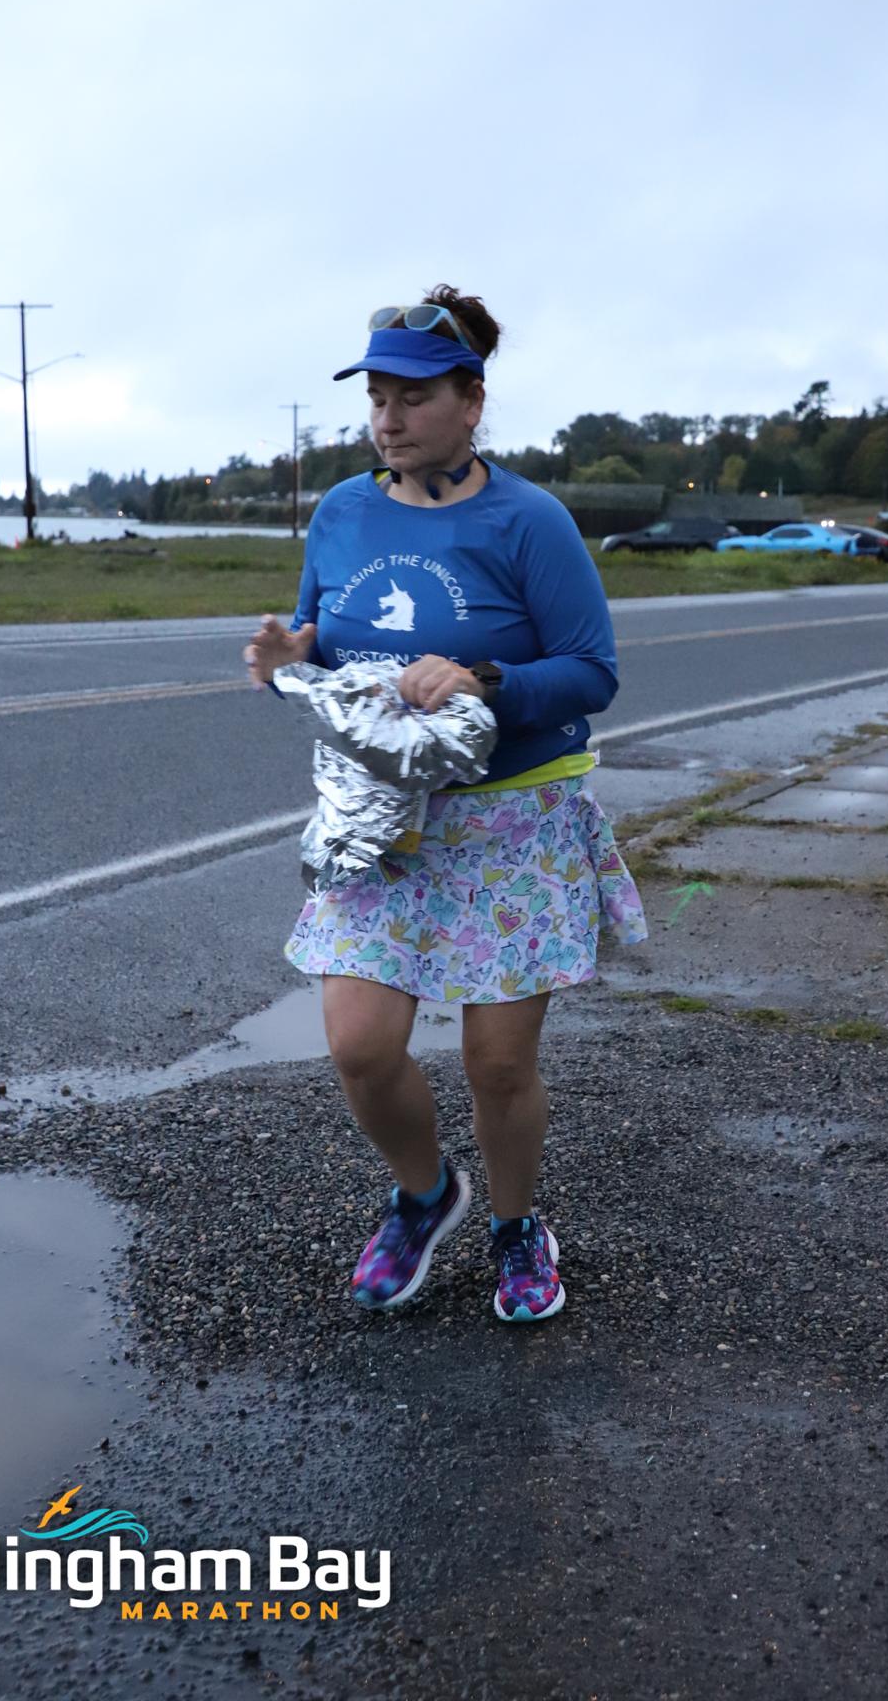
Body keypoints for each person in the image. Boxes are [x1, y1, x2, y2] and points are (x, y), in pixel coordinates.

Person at [245, 286, 646, 1323]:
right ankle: (424, 1196)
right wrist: (287, 659)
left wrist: (483, 679)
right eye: (377, 398)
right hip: (379, 823)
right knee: (359, 1046)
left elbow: (592, 672)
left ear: (471, 402)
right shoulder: (343, 512)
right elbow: (322, 646)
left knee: (497, 1064)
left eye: (413, 397)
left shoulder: (528, 519)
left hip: (511, 821)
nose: (389, 419)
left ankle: (516, 1227)